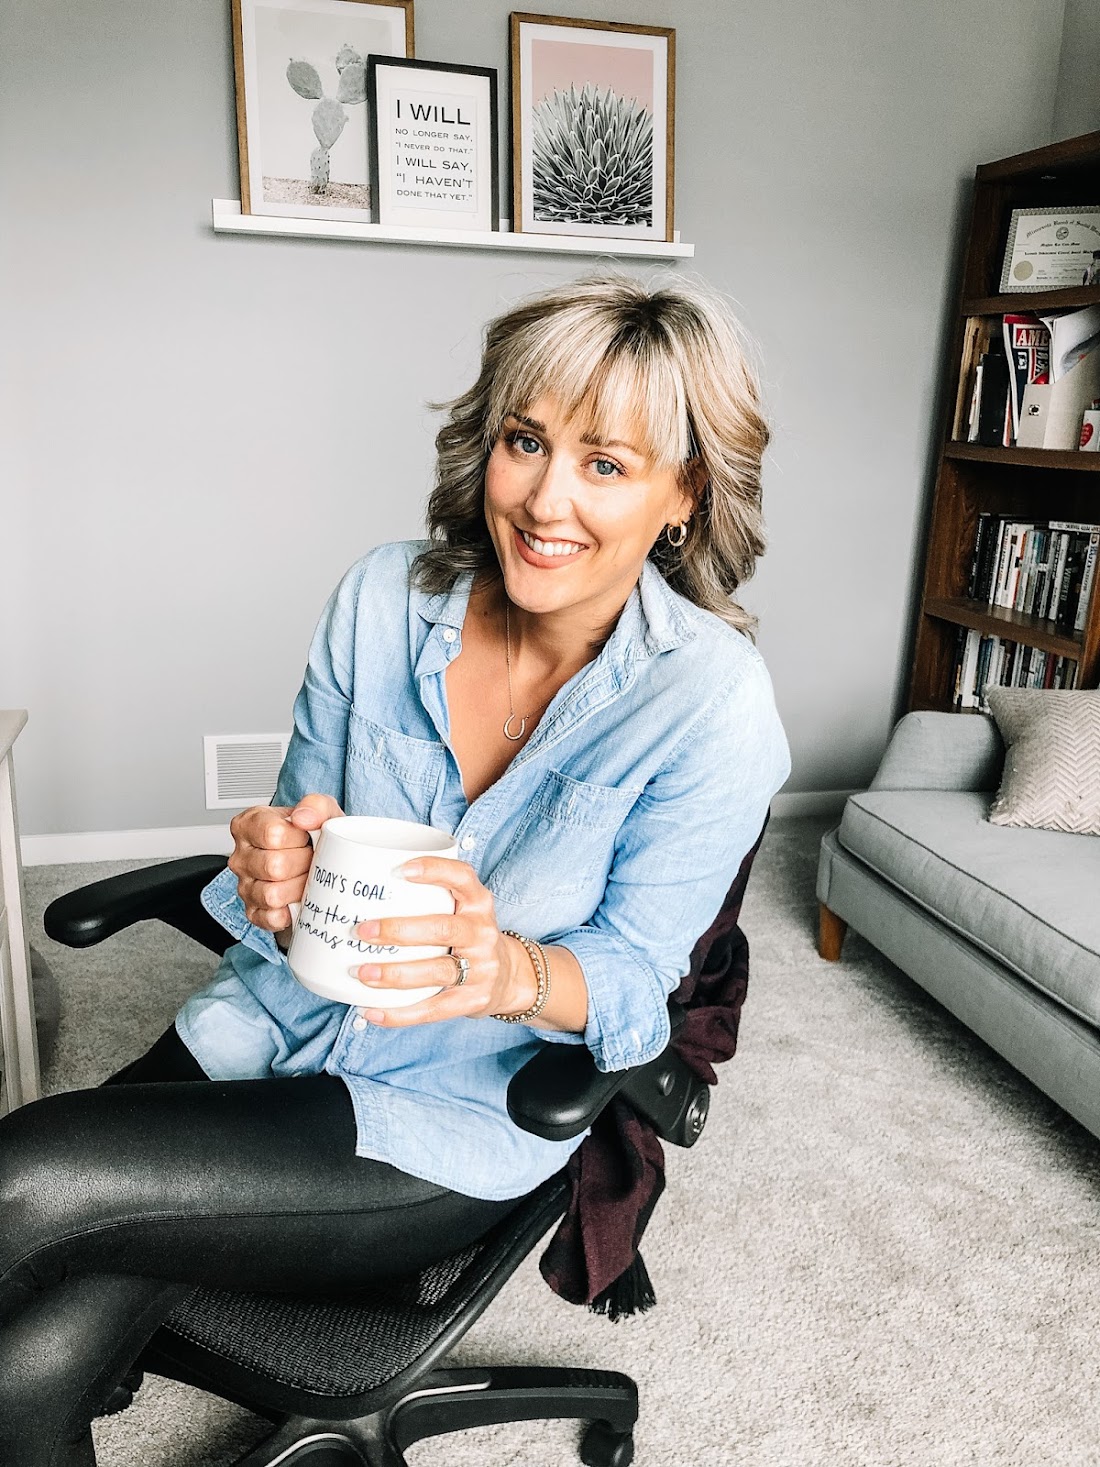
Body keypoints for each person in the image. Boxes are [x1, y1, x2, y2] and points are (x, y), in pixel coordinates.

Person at [0, 274, 790, 1466]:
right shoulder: (382, 596)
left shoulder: (711, 707)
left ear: (683, 495)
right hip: (271, 1027)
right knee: (30, 1354)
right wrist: (273, 873)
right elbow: (297, 849)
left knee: (27, 1173)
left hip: (439, 1117)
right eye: (525, 441)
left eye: (605, 464)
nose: (546, 498)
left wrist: (505, 971)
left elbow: (636, 993)